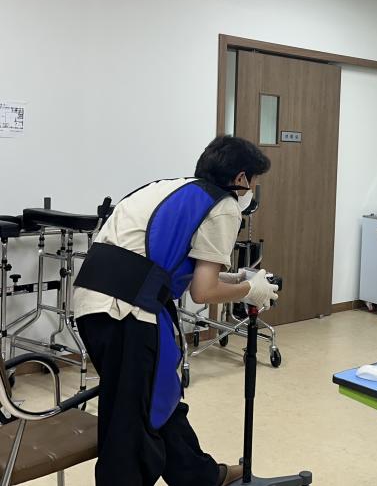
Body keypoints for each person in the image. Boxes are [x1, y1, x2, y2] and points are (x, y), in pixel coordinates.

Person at [72, 136, 280, 486]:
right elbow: (203, 292)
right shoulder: (223, 205)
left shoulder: (173, 187)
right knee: (131, 420)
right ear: (241, 178)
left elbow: (168, 263)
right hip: (127, 310)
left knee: (153, 394)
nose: (252, 190)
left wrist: (234, 277)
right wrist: (250, 290)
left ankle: (201, 476)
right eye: (254, 180)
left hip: (95, 301)